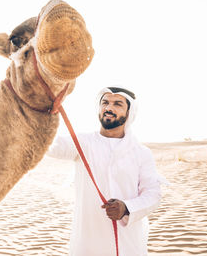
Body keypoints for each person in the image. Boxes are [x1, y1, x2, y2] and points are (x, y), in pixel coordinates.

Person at [47, 86, 164, 256]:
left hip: (129, 245)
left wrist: (126, 208)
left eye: (118, 104)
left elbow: (153, 195)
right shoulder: (81, 143)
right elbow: (48, 146)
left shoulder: (141, 153)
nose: (109, 108)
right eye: (105, 103)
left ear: (129, 113)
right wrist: (47, 114)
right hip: (87, 244)